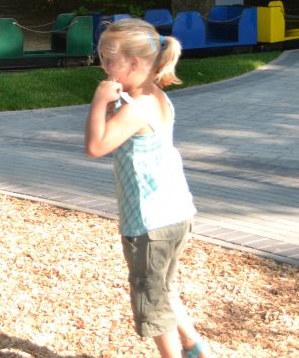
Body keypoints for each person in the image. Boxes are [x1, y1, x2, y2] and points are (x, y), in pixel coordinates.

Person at [84, 18, 213, 358]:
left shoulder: (135, 109)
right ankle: (195, 348)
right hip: (177, 214)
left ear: (135, 63)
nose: (103, 66)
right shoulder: (156, 96)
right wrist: (114, 102)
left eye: (109, 60)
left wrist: (99, 101)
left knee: (152, 303)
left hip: (150, 224)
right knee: (164, 289)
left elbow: (96, 147)